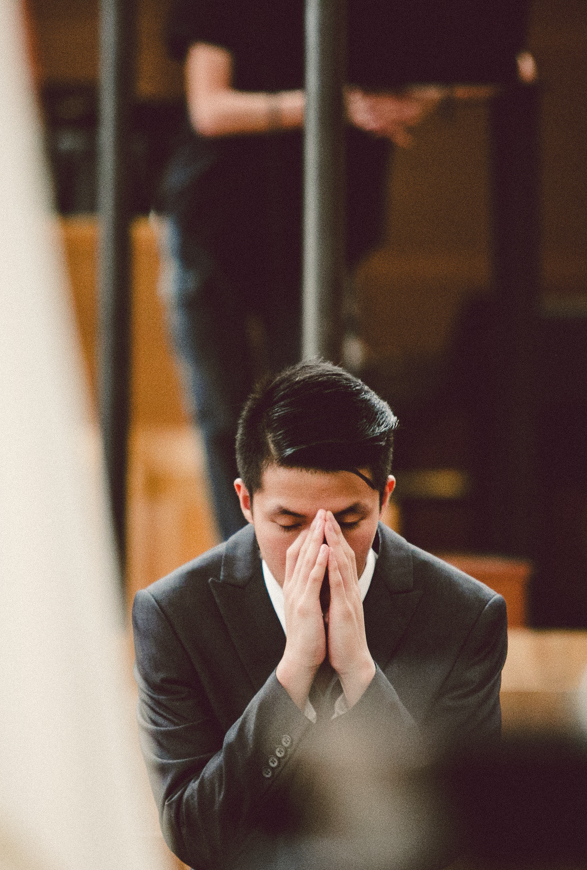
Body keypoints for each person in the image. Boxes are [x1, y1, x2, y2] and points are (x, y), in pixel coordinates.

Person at [133, 361, 506, 870]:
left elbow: (460, 835)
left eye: (349, 521)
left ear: (385, 498)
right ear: (246, 500)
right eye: (288, 522)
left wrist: (361, 674)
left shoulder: (465, 616)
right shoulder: (174, 615)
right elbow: (197, 838)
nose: (319, 548)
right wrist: (292, 676)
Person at [157, 0, 446, 539]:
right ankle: (247, 568)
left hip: (322, 224)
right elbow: (210, 108)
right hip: (218, 221)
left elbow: (451, 70)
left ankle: (319, 570)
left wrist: (414, 100)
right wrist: (336, 104)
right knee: (225, 416)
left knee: (322, 421)